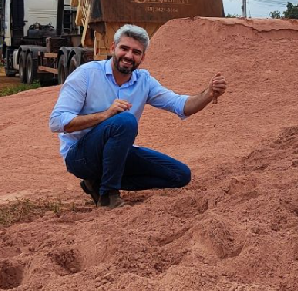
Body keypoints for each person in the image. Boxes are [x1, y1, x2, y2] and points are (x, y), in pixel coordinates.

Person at [49, 24, 227, 209]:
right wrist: (104, 115)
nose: (128, 56)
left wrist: (208, 94)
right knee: (124, 120)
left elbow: (180, 105)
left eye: (136, 52)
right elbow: (56, 122)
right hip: (80, 157)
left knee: (180, 175)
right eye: (124, 48)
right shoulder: (86, 74)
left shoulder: (144, 81)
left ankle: (98, 181)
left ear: (142, 57)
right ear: (112, 48)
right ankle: (109, 196)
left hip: (116, 155)